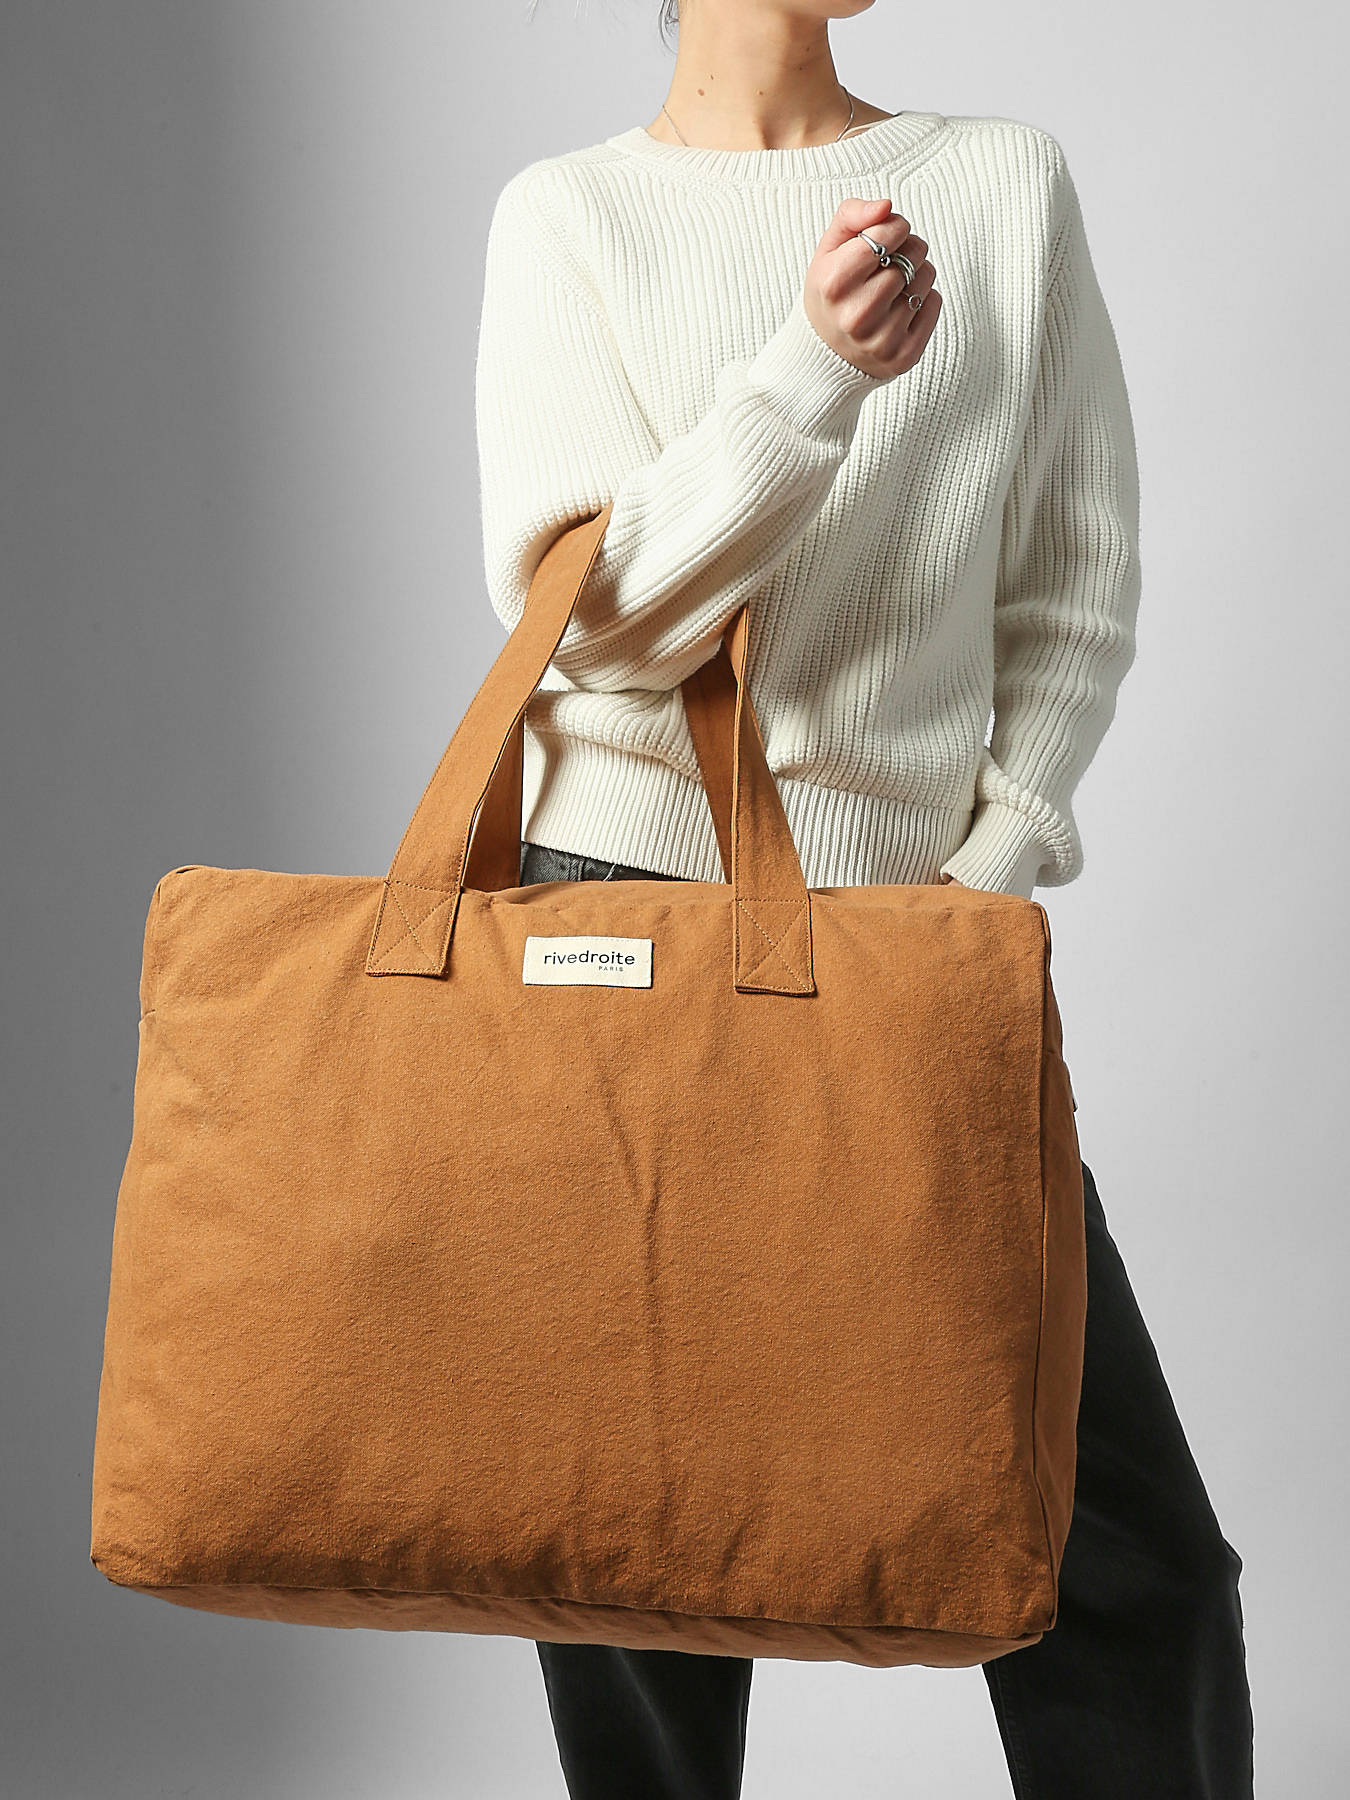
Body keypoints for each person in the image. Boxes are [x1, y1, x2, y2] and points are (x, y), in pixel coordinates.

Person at [474, 2, 1254, 1793]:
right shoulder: (567, 215)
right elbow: (598, 628)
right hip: (617, 915)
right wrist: (811, 375)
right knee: (626, 1555)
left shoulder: (997, 184)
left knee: (1124, 1563)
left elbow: (1073, 584)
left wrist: (983, 878)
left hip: (912, 932)